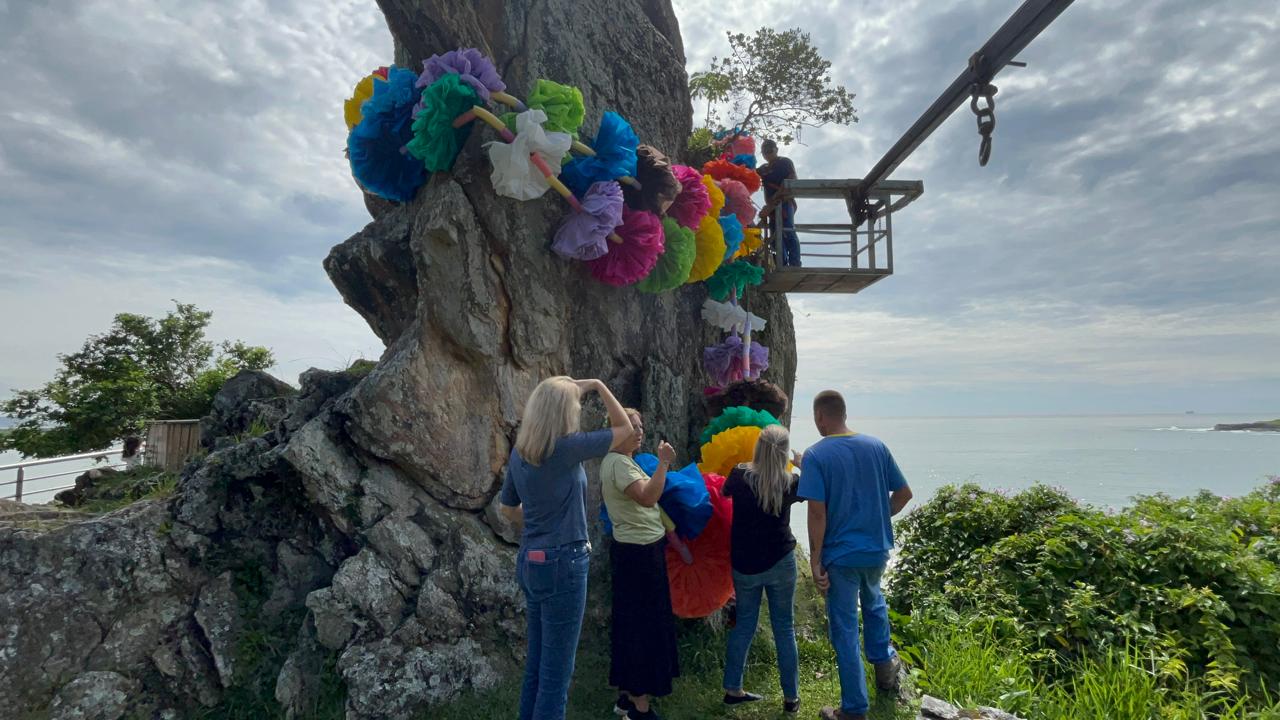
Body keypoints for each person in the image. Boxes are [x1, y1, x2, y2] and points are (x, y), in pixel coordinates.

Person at [499, 376, 639, 720]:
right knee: (555, 679)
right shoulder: (565, 448)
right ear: (563, 412)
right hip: (565, 562)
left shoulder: (522, 452)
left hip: (531, 561)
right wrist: (598, 385)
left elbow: (507, 508)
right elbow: (625, 430)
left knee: (536, 669)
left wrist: (537, 525)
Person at [798, 390, 914, 720]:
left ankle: (854, 708)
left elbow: (817, 513)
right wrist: (876, 517)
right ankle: (885, 671)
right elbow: (904, 494)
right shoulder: (876, 447)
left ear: (820, 417)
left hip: (842, 556)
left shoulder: (817, 456)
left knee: (846, 629)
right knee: (875, 606)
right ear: (843, 414)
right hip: (876, 550)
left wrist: (815, 559)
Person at [600, 409, 680, 720]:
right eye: (631, 426)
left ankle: (626, 697)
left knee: (633, 623)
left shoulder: (622, 461)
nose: (638, 431)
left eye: (640, 426)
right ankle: (639, 706)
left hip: (639, 551)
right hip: (638, 555)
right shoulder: (618, 463)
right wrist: (663, 463)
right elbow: (647, 497)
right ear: (615, 430)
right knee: (643, 628)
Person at [720, 424, 804, 715]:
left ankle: (733, 688)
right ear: (784, 453)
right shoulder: (790, 482)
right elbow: (814, 490)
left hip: (745, 564)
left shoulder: (740, 475)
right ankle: (791, 698)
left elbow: (724, 492)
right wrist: (803, 465)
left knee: (744, 624)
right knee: (785, 628)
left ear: (758, 447)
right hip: (780, 560)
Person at [756, 139, 802, 267]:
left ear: (776, 149)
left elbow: (791, 182)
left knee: (787, 230)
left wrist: (772, 204)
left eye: (770, 150)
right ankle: (781, 264)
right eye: (764, 152)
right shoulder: (763, 169)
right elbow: (749, 174)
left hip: (785, 202)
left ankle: (795, 264)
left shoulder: (784, 162)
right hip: (772, 208)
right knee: (775, 235)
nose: (767, 154)